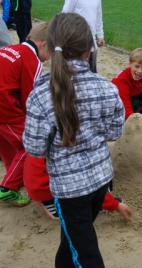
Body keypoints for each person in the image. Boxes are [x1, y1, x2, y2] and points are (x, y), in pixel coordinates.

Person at [23, 13, 124, 267]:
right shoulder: (107, 87)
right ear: (90, 49)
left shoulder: (40, 96)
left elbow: (34, 147)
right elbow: (114, 132)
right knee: (74, 241)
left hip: (70, 190)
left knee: (86, 253)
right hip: (102, 180)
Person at [0, 22, 49, 206]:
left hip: (3, 104)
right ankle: (8, 188)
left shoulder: (11, 48)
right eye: (51, 52)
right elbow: (31, 98)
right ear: (43, 43)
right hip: (5, 108)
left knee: (6, 143)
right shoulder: (32, 60)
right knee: (30, 143)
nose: (49, 57)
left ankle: (13, 177)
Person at [23, 155, 132, 221]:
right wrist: (115, 205)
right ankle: (54, 205)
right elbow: (85, 183)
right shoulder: (70, 149)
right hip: (50, 190)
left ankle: (48, 203)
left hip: (38, 186)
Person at [112, 48, 142, 120]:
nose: (139, 71)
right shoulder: (122, 80)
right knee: (135, 104)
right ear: (130, 64)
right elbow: (125, 105)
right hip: (118, 103)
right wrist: (133, 122)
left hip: (133, 96)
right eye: (137, 66)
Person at [62, 0, 105, 73]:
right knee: (74, 68)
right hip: (76, 39)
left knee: (91, 69)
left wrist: (100, 35)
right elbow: (65, 15)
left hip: (91, 39)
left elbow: (98, 16)